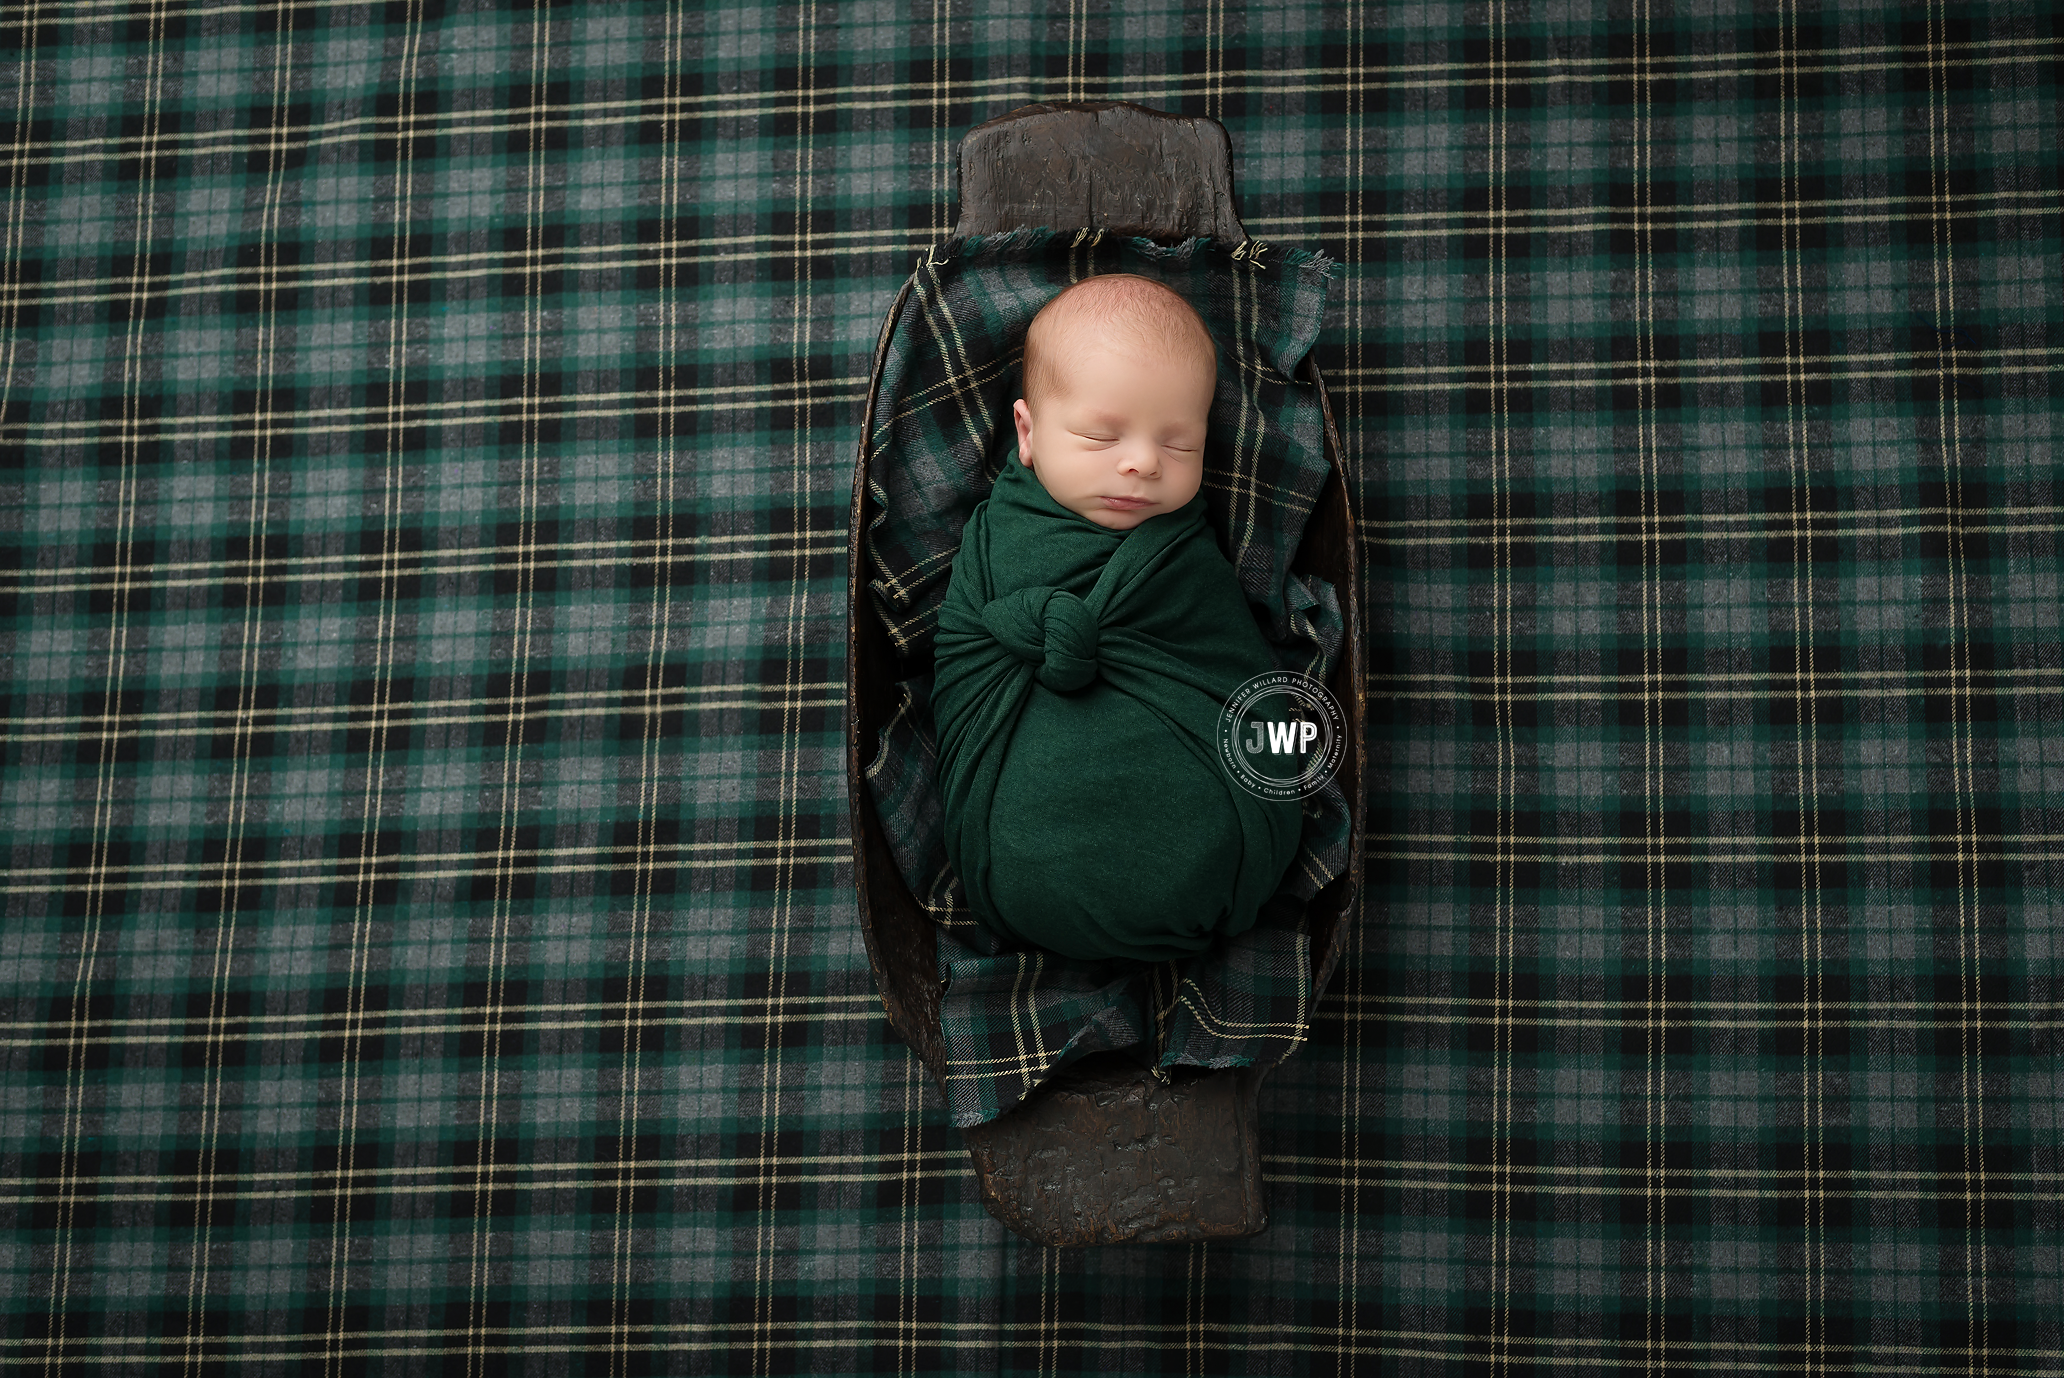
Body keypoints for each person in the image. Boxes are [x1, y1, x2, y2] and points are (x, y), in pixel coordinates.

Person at [927, 273, 1303, 964]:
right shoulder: (998, 541)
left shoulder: (1186, 557)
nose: (1141, 463)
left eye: (1179, 444)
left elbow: (1231, 669)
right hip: (1015, 858)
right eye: (1102, 436)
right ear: (1028, 432)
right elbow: (964, 655)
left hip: (1200, 856)